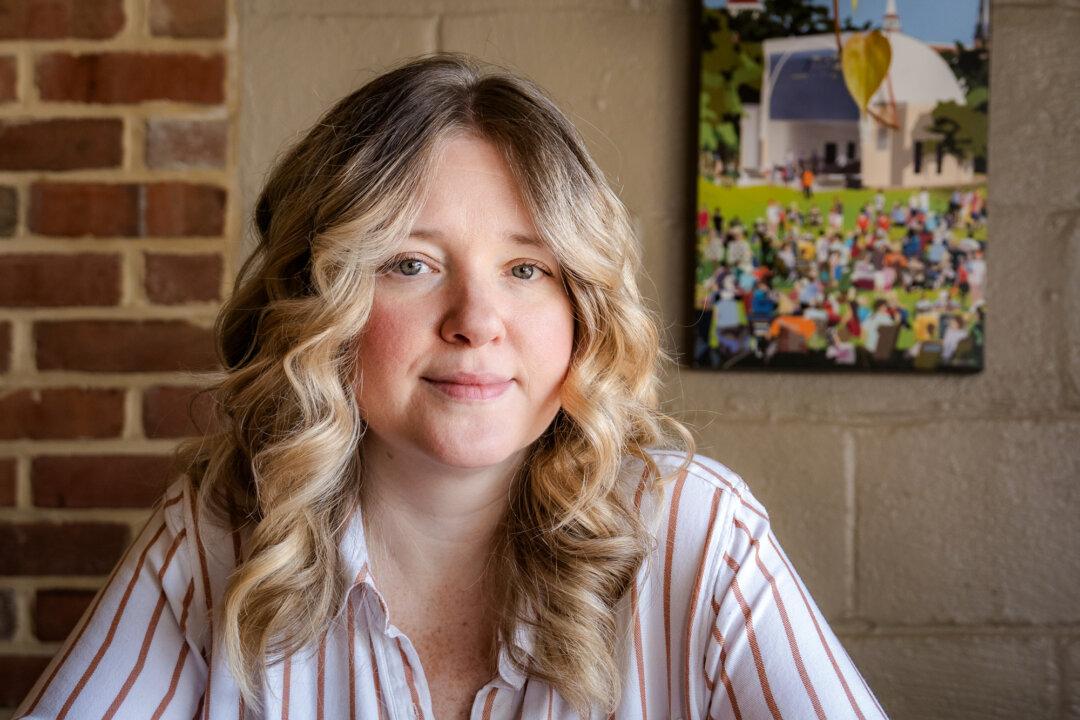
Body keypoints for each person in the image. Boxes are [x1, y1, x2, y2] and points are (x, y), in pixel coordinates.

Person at [12, 54, 887, 720]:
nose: (477, 318)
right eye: (411, 263)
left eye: (526, 268)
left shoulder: (700, 536)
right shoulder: (219, 533)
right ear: (325, 303)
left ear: (583, 309)